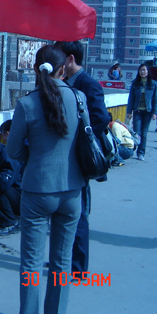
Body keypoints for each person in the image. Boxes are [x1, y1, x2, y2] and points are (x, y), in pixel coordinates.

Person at [7, 45, 84, 314]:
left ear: (35, 69)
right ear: (63, 69)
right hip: (72, 191)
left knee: (31, 264)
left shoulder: (27, 104)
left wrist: (34, 158)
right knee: (62, 262)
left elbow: (13, 150)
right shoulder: (78, 98)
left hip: (37, 190)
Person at [54, 40, 110, 275]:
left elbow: (101, 118)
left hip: (79, 156)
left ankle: (78, 267)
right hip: (64, 157)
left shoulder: (88, 84)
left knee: (79, 212)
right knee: (64, 212)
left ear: (70, 59)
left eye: (59, 57)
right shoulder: (65, 82)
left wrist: (81, 140)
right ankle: (63, 260)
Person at [126, 63, 157, 160]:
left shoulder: (153, 84)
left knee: (144, 134)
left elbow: (156, 99)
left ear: (148, 71)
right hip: (138, 111)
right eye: (141, 70)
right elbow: (131, 98)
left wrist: (155, 113)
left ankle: (141, 153)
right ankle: (131, 150)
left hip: (148, 112)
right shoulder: (135, 83)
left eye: (144, 70)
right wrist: (129, 111)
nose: (142, 72)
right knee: (136, 133)